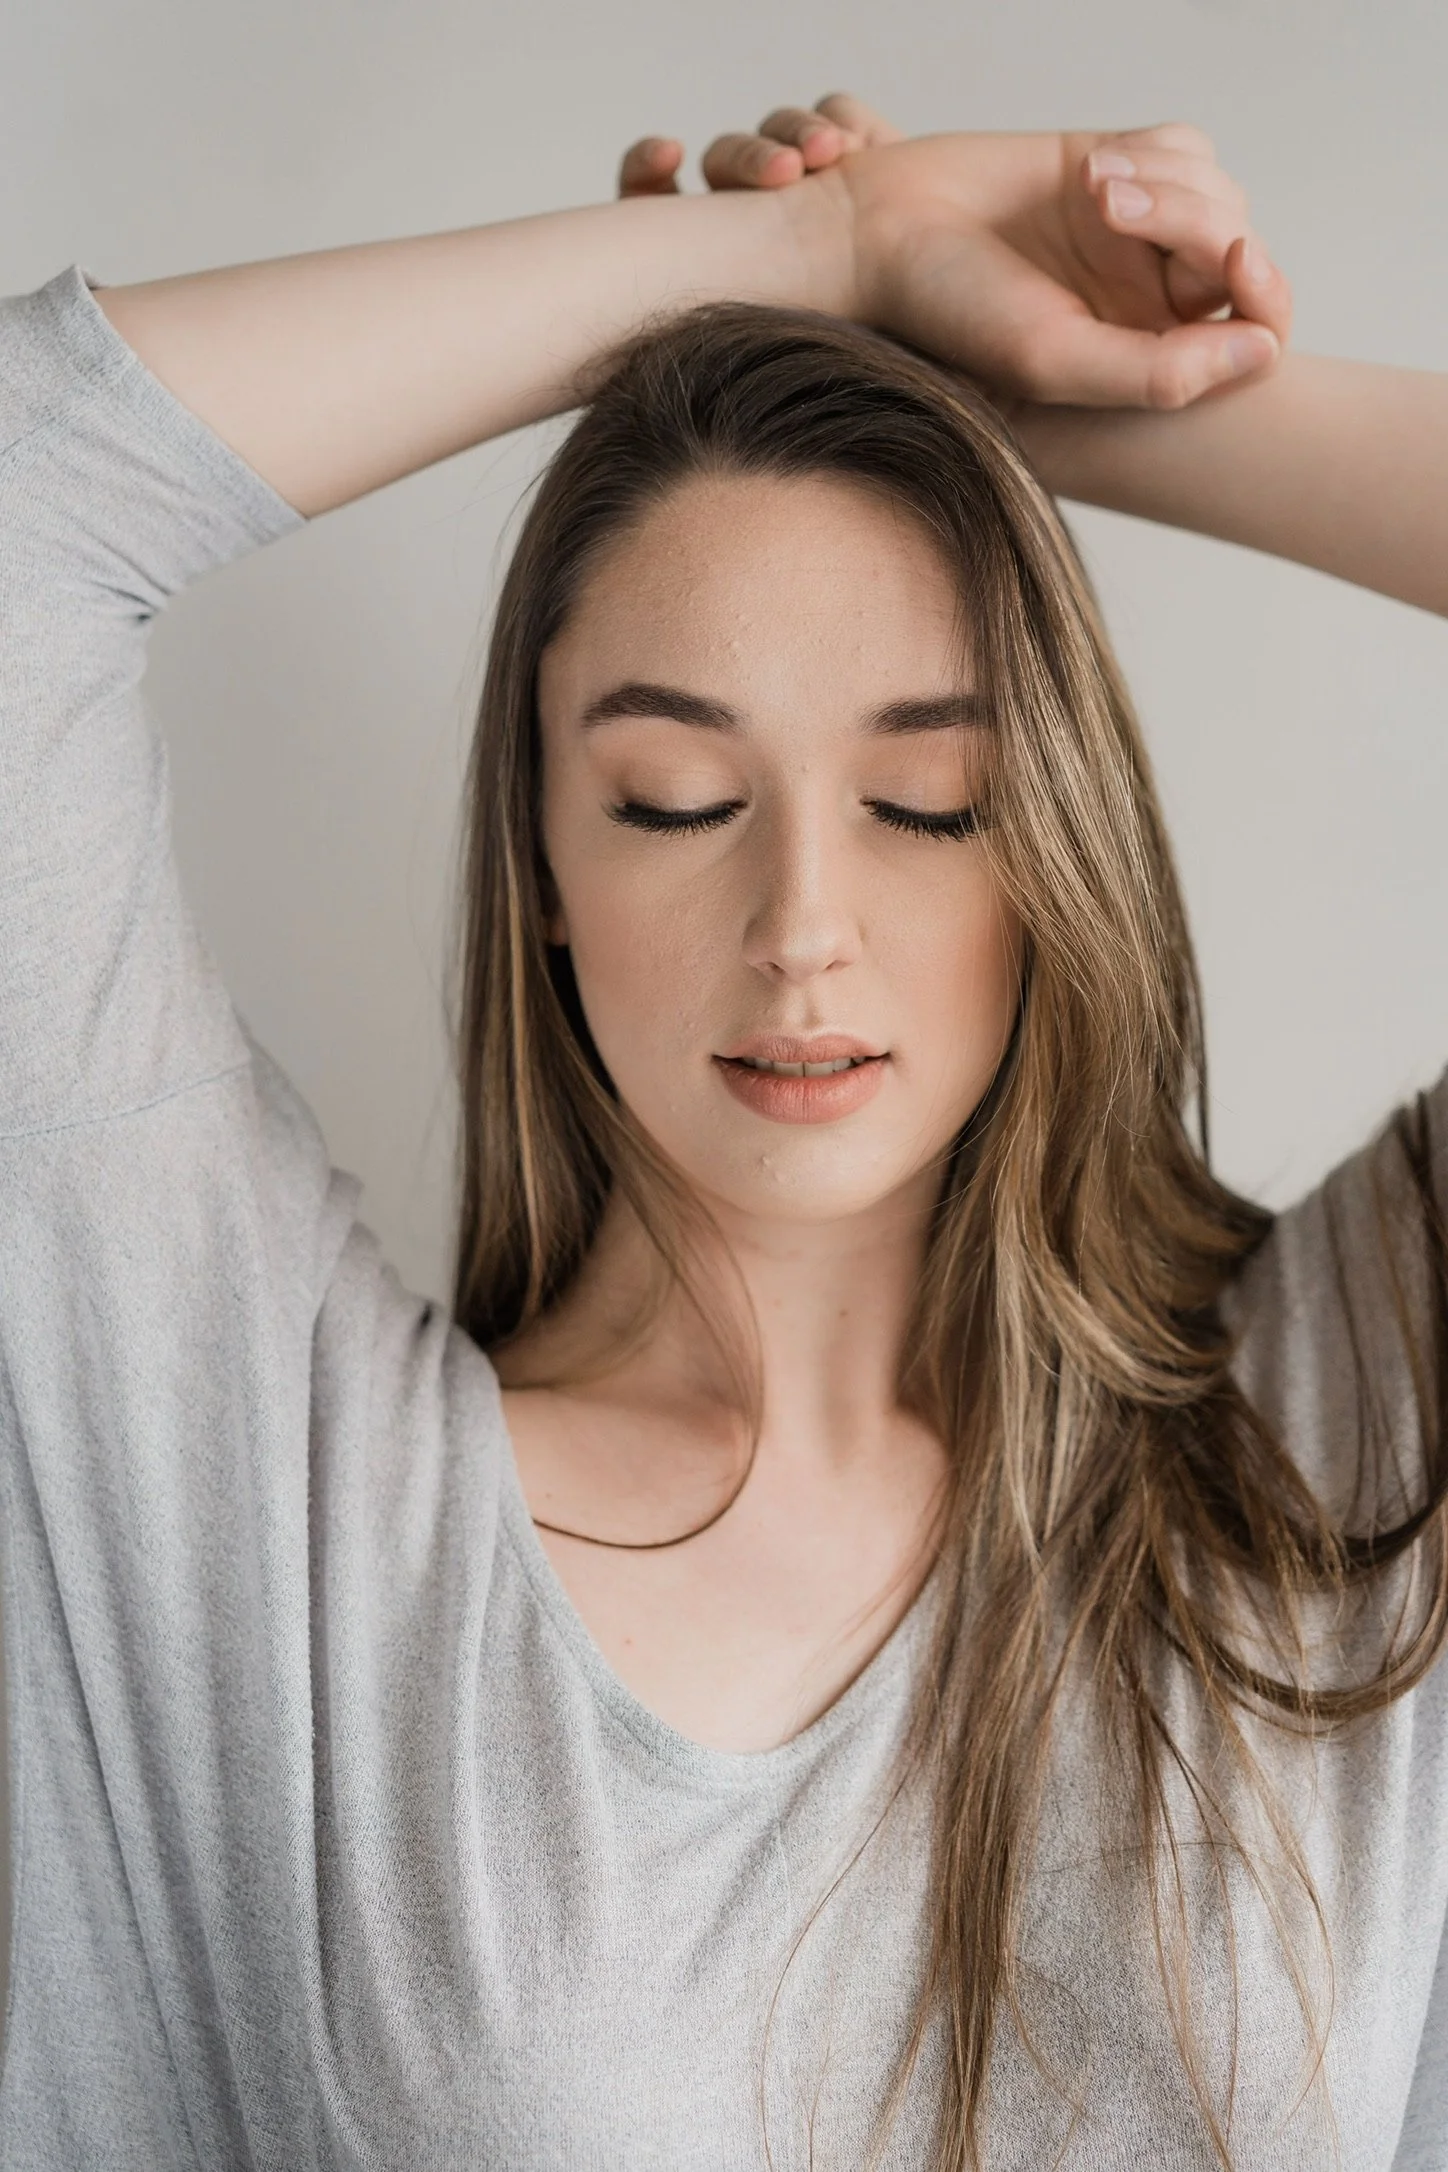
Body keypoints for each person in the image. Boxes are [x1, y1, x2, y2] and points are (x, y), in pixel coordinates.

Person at [0, 87, 1444, 2171]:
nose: (800, 933)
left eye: (927, 799)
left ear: (1053, 842)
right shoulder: (279, 1512)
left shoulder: (1332, 1448)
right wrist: (803, 266)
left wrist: (1039, 400)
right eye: (676, 803)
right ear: (543, 859)